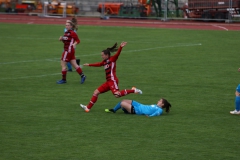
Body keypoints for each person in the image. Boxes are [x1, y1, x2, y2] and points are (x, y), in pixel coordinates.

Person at [80, 42, 142, 112]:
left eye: (102, 55)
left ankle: (134, 90)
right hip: (108, 82)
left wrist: (121, 47)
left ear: (107, 55)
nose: (102, 57)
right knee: (96, 92)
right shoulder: (104, 62)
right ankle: (88, 108)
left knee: (117, 95)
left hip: (113, 81)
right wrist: (89, 64)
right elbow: (99, 64)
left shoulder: (112, 59)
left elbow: (117, 54)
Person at [57, 19, 86, 84]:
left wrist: (75, 44)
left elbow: (78, 40)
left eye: (68, 25)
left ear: (71, 26)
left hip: (68, 51)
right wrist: (61, 39)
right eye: (66, 25)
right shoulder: (66, 33)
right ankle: (83, 76)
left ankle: (63, 80)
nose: (66, 26)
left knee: (63, 65)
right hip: (70, 51)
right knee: (75, 65)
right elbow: (66, 42)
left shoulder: (73, 33)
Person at [105, 98, 172, 117]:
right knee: (123, 100)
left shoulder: (159, 110)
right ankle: (120, 110)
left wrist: (150, 116)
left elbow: (156, 113)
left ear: (162, 104)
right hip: (139, 105)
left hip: (137, 110)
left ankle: (115, 110)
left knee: (122, 104)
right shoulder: (156, 105)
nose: (158, 101)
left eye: (160, 101)